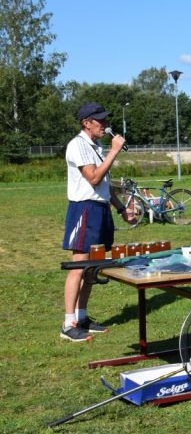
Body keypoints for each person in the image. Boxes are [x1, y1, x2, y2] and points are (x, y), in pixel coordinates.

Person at [61, 102, 132, 342]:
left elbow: (104, 185)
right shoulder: (77, 145)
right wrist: (113, 151)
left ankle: (82, 316)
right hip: (84, 209)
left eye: (105, 119)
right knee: (78, 266)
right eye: (99, 120)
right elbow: (93, 178)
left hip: (100, 209)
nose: (105, 124)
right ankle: (68, 323)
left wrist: (121, 208)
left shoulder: (97, 147)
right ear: (86, 123)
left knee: (92, 267)